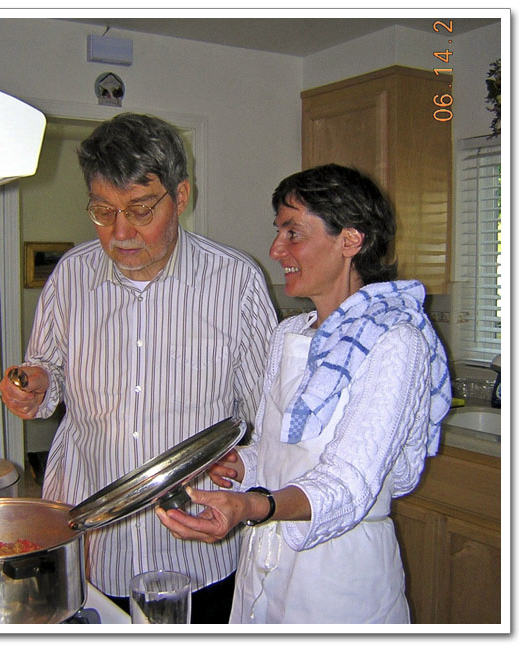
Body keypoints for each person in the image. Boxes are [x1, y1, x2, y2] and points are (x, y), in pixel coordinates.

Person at [0, 113, 277, 623]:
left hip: (199, 552)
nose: (120, 232)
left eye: (140, 209)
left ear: (182, 196)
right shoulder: (70, 277)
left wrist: (249, 466)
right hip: (92, 548)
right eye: (102, 211)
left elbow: (267, 415)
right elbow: (48, 377)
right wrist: (34, 387)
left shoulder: (236, 283)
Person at [156, 164, 452, 624]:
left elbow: (349, 483)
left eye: (293, 233)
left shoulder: (396, 341)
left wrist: (256, 506)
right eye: (278, 232)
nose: (276, 249)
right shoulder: (289, 333)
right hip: (266, 558)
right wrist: (243, 465)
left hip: (340, 574)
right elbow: (283, 450)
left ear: (350, 241)